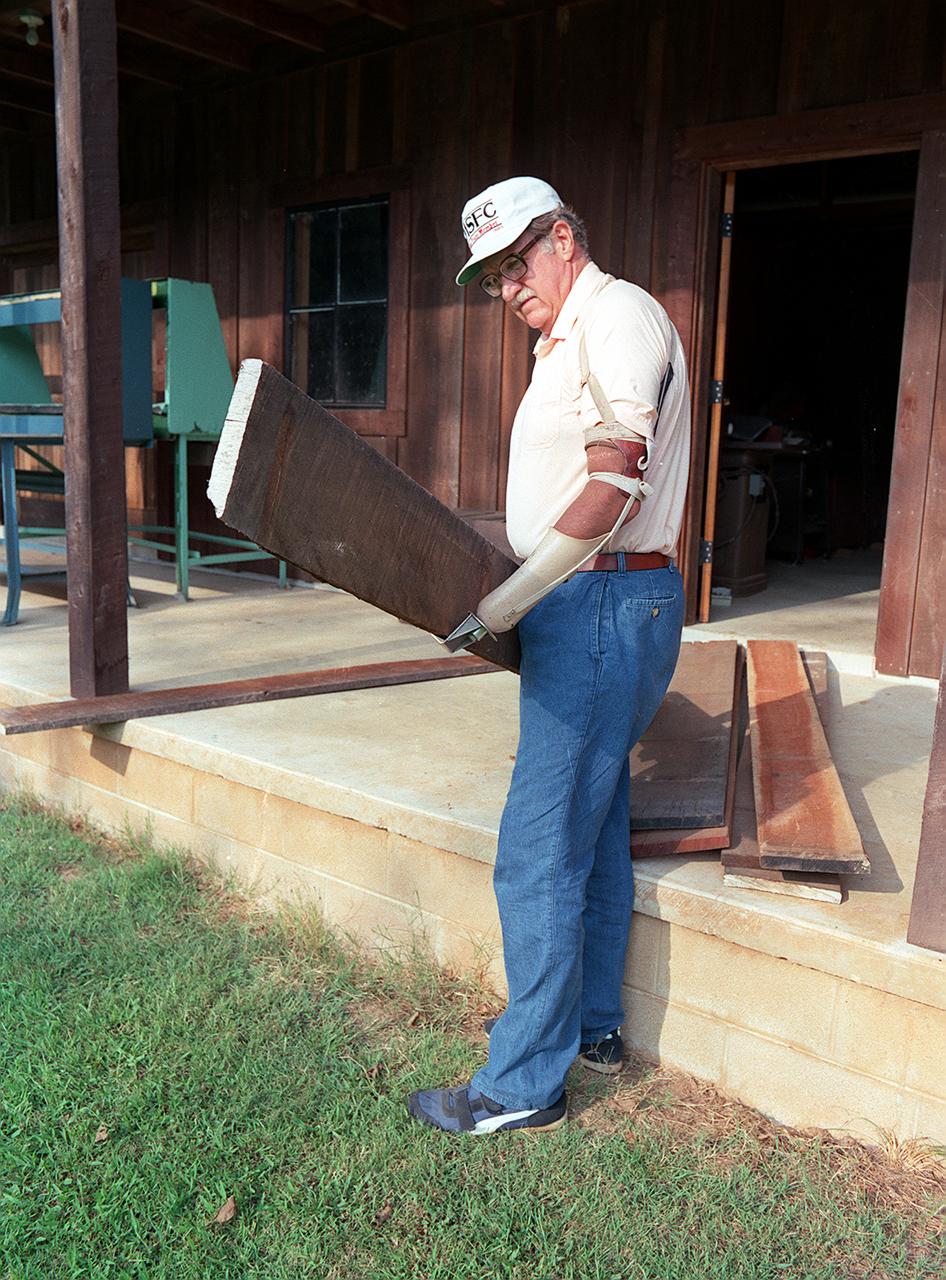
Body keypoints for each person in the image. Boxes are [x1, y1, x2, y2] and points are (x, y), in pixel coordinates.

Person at [407, 177, 691, 1135]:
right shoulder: (570, 333)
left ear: (564, 237)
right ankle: (596, 1027)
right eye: (491, 276)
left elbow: (615, 485)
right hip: (596, 600)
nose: (507, 286)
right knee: (594, 823)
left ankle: (521, 1086)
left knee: (535, 850)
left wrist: (507, 602)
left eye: (517, 262)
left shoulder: (619, 319)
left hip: (600, 600)